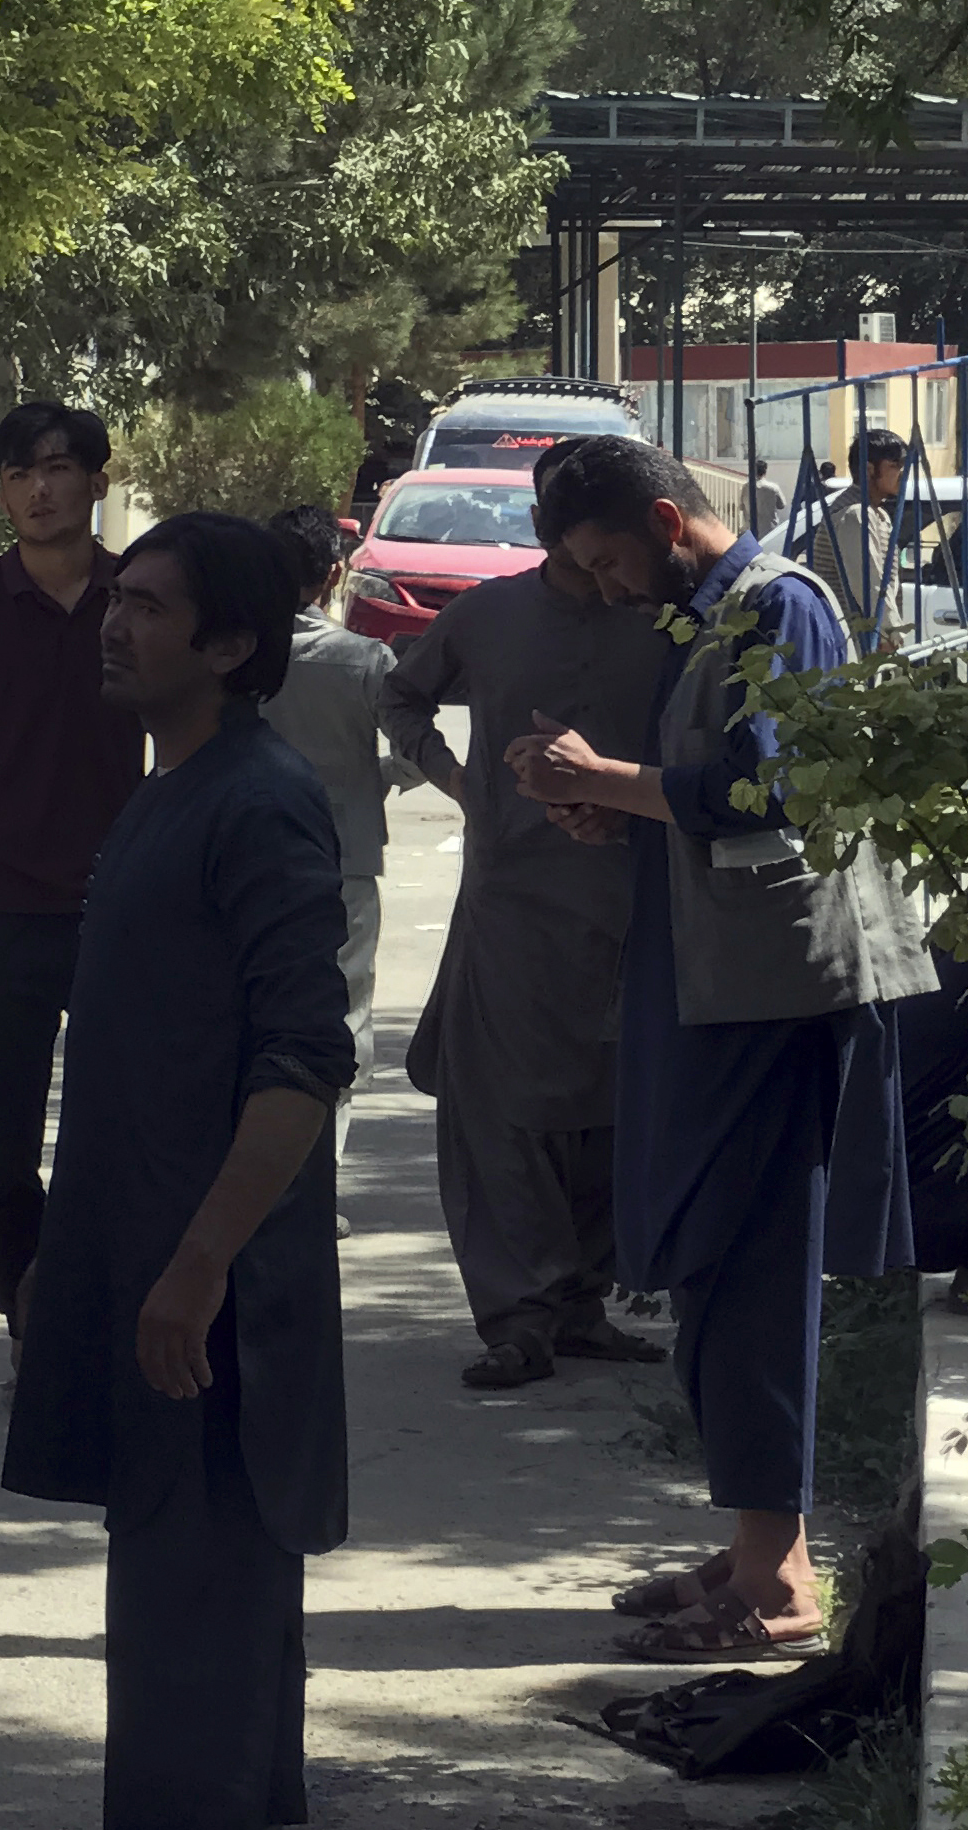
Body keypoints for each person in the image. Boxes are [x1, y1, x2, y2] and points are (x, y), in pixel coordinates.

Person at [509, 436, 935, 1661]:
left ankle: (778, 1581)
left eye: (604, 564)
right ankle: (763, 1548)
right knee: (706, 1264)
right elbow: (706, 801)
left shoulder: (779, 606)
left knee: (748, 1266)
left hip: (774, 999)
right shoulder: (710, 620)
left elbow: (772, 791)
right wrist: (613, 807)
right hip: (715, 989)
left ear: (663, 517)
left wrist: (615, 777)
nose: (601, 590)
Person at [2, 511, 354, 1830]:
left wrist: (200, 1265)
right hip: (147, 1281)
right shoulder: (168, 792)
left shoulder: (261, 803)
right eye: (117, 597)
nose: (114, 619)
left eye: (147, 605)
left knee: (198, 1673)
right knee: (187, 1660)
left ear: (229, 643)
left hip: (217, 1324)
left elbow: (300, 1065)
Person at [379, 452, 678, 1389]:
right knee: (497, 1112)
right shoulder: (488, 616)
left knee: (608, 1106)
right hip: (510, 904)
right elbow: (398, 694)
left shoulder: (664, 622)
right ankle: (517, 1318)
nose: (604, 577)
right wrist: (462, 785)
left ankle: (582, 1304)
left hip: (635, 897)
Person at [0, 402, 143, 1325]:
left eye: (56, 469)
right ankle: (33, 1324)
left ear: (98, 478)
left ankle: (105, 1310)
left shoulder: (144, 597)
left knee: (120, 1133)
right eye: (17, 474)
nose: (38, 490)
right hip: (1, 912)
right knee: (3, 1150)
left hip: (123, 915)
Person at [259, 504, 404, 1219]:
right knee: (342, 1017)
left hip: (249, 856)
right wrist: (373, 777)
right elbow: (413, 746)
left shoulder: (237, 658)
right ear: (334, 576)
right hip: (343, 857)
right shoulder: (364, 660)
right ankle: (314, 1181)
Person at [809, 426, 921, 648]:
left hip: (860, 640)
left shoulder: (876, 513)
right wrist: (889, 632)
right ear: (869, 470)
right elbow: (868, 584)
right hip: (848, 642)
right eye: (895, 466)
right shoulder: (855, 514)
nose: (903, 473)